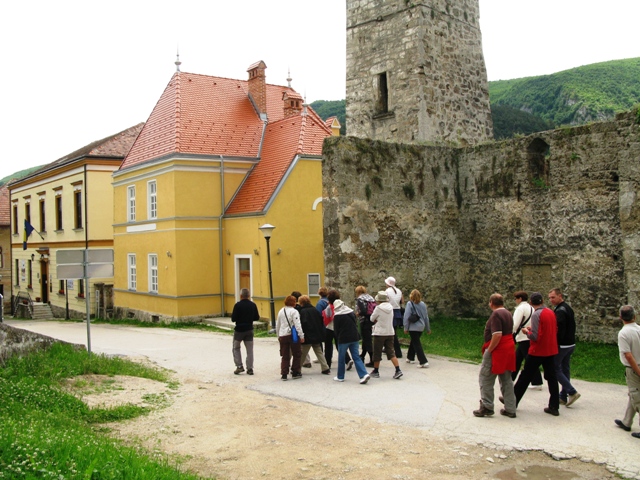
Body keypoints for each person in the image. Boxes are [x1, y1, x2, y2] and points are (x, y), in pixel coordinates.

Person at [513, 292, 560, 416]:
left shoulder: (536, 314)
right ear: (543, 301)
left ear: (531, 303)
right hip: (551, 349)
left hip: (538, 350)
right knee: (552, 378)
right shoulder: (551, 312)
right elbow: (553, 329)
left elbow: (535, 336)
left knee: (525, 377)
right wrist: (533, 330)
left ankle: (512, 402)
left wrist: (526, 332)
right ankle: (554, 406)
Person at [473, 293, 517, 418]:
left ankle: (487, 406)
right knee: (506, 379)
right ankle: (510, 408)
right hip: (508, 348)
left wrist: (489, 350)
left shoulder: (496, 314)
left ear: (491, 303)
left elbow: (497, 334)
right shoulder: (508, 313)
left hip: (498, 350)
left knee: (485, 377)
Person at [549, 288, 580, 406]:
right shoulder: (567, 308)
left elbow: (559, 329)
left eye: (553, 297)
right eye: (550, 298)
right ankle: (563, 396)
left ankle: (571, 391)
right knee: (565, 368)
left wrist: (555, 343)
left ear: (560, 296)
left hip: (562, 345)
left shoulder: (560, 311)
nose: (551, 300)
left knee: (554, 368)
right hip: (570, 343)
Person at [614, 305, 640, 438]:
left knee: (637, 397)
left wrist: (638, 371)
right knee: (633, 394)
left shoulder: (623, 333)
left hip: (634, 368)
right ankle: (627, 421)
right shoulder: (638, 329)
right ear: (634, 316)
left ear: (620, 317)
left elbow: (628, 355)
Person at [332, 299, 371, 384]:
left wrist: (337, 338)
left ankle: (340, 376)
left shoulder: (337, 316)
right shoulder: (351, 312)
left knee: (341, 358)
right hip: (354, 337)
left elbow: (336, 330)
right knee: (356, 357)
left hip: (343, 338)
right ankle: (364, 374)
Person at [512, 291, 543, 389]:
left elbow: (515, 324)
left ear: (520, 299)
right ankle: (511, 378)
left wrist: (511, 332)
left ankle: (537, 382)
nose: (515, 300)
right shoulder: (531, 308)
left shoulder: (520, 309)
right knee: (517, 358)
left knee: (530, 360)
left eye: (516, 298)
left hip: (522, 336)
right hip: (529, 335)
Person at [370, 291, 403, 379]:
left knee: (377, 352)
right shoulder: (391, 307)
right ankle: (398, 369)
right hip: (390, 332)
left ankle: (376, 371)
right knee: (391, 352)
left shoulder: (378, 308)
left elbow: (372, 318)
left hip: (380, 332)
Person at [298, 295, 331, 375]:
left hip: (308, 335)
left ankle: (297, 369)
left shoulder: (303, 311)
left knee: (303, 353)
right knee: (319, 352)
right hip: (317, 334)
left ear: (301, 302)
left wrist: (302, 335)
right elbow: (320, 321)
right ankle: (325, 368)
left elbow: (303, 324)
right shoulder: (315, 310)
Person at [231, 288, 260, 375]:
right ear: (248, 295)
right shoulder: (253, 305)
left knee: (236, 348)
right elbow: (256, 317)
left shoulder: (237, 305)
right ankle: (250, 368)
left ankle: (239, 366)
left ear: (241, 296)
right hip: (249, 329)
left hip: (239, 330)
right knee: (250, 350)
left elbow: (233, 319)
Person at [276, 295, 305, 381]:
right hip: (293, 335)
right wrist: (301, 335)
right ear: (294, 303)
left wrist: (278, 335)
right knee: (296, 353)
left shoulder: (281, 311)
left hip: (283, 334)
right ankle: (295, 371)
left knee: (285, 355)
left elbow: (278, 325)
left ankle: (284, 373)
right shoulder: (294, 311)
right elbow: (297, 324)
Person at [323, 290, 352, 370]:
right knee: (339, 345)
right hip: (339, 328)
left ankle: (328, 364)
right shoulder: (342, 305)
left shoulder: (329, 307)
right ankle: (348, 359)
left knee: (328, 346)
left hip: (330, 327)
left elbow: (327, 316)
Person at [403, 289, 431, 368]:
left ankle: (423, 361)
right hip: (421, 326)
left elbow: (406, 316)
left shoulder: (410, 304)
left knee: (417, 344)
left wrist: (406, 327)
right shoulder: (423, 304)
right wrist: (428, 328)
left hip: (413, 326)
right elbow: (426, 317)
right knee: (414, 341)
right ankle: (410, 357)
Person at [355, 285, 375, 367]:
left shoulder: (360, 299)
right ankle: (362, 355)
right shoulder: (370, 298)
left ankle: (372, 359)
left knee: (367, 339)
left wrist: (358, 313)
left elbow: (363, 311)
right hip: (371, 320)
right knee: (366, 338)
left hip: (364, 321)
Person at [384, 277, 404, 359]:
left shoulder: (387, 291)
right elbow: (402, 301)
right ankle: (387, 348)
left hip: (390, 311)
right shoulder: (399, 291)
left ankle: (398, 352)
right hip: (397, 311)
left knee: (392, 333)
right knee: (392, 331)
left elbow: (385, 301)